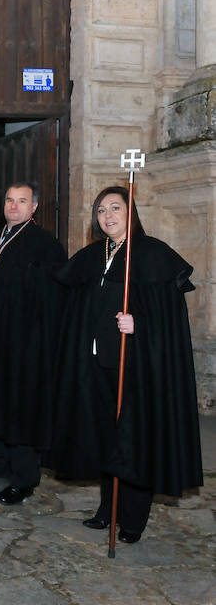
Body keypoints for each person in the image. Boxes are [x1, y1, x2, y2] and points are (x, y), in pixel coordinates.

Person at [47, 186, 202, 543]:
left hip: (138, 366)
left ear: (130, 212)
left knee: (134, 440)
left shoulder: (152, 254)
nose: (108, 216)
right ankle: (108, 509)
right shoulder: (92, 255)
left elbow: (170, 319)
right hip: (97, 363)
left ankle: (132, 518)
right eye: (101, 210)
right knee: (104, 438)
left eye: (115, 208)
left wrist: (140, 325)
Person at [0, 183, 66, 504]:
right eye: (9, 200)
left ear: (34, 207)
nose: (14, 206)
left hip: (24, 345)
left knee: (21, 410)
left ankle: (24, 477)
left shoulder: (45, 246)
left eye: (21, 201)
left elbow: (50, 299)